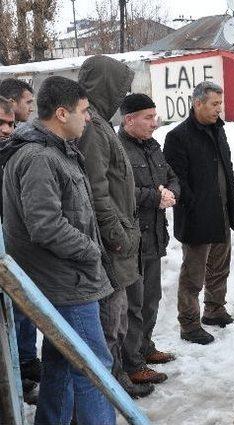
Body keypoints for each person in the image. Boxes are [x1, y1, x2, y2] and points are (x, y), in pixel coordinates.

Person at [0, 75, 116, 425]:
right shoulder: (38, 157)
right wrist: (90, 250)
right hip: (67, 283)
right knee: (93, 368)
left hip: (66, 278)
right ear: (62, 113)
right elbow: (45, 225)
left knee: (62, 362)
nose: (89, 118)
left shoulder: (52, 151)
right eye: (84, 110)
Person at [77, 55, 151, 398]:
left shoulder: (101, 124)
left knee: (119, 314)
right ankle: (111, 384)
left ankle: (117, 375)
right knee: (111, 317)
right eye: (120, 87)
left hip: (121, 234)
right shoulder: (92, 128)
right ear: (105, 85)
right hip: (113, 240)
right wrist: (116, 232)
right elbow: (96, 189)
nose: (124, 95)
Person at [164, 82, 234, 345]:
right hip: (197, 216)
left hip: (221, 211)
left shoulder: (218, 129)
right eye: (214, 104)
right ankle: (189, 324)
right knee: (193, 274)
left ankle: (215, 309)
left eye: (220, 104)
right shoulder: (178, 136)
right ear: (198, 103)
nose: (218, 109)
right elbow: (176, 179)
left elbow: (227, 164)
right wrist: (194, 205)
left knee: (220, 267)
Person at [119, 94, 179, 386]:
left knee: (151, 298)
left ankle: (145, 347)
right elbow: (120, 192)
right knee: (133, 302)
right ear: (129, 119)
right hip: (131, 240)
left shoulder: (153, 146)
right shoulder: (118, 149)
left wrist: (170, 192)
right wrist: (155, 196)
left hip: (154, 236)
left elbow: (172, 176)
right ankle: (131, 363)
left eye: (155, 117)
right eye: (148, 117)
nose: (155, 123)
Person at [0, 80, 41, 387]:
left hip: (13, 246)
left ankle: (23, 366)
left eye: (9, 124)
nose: (7, 130)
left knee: (21, 308)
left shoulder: (11, 153)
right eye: (1, 123)